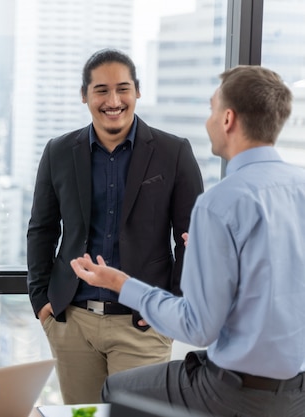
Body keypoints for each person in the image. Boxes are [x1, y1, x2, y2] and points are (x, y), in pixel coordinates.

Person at [70, 65, 305, 416]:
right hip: (297, 391)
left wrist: (121, 283)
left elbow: (198, 328)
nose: (208, 121)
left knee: (116, 388)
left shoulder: (220, 203)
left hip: (235, 391)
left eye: (212, 110)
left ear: (228, 119)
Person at [27, 48, 204, 404]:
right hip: (72, 322)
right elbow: (42, 229)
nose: (113, 100)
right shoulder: (58, 151)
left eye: (123, 88)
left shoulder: (174, 151)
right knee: (82, 415)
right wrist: (42, 301)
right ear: (84, 96)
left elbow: (192, 239)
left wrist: (170, 307)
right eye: (101, 90)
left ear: (137, 91)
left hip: (143, 324)